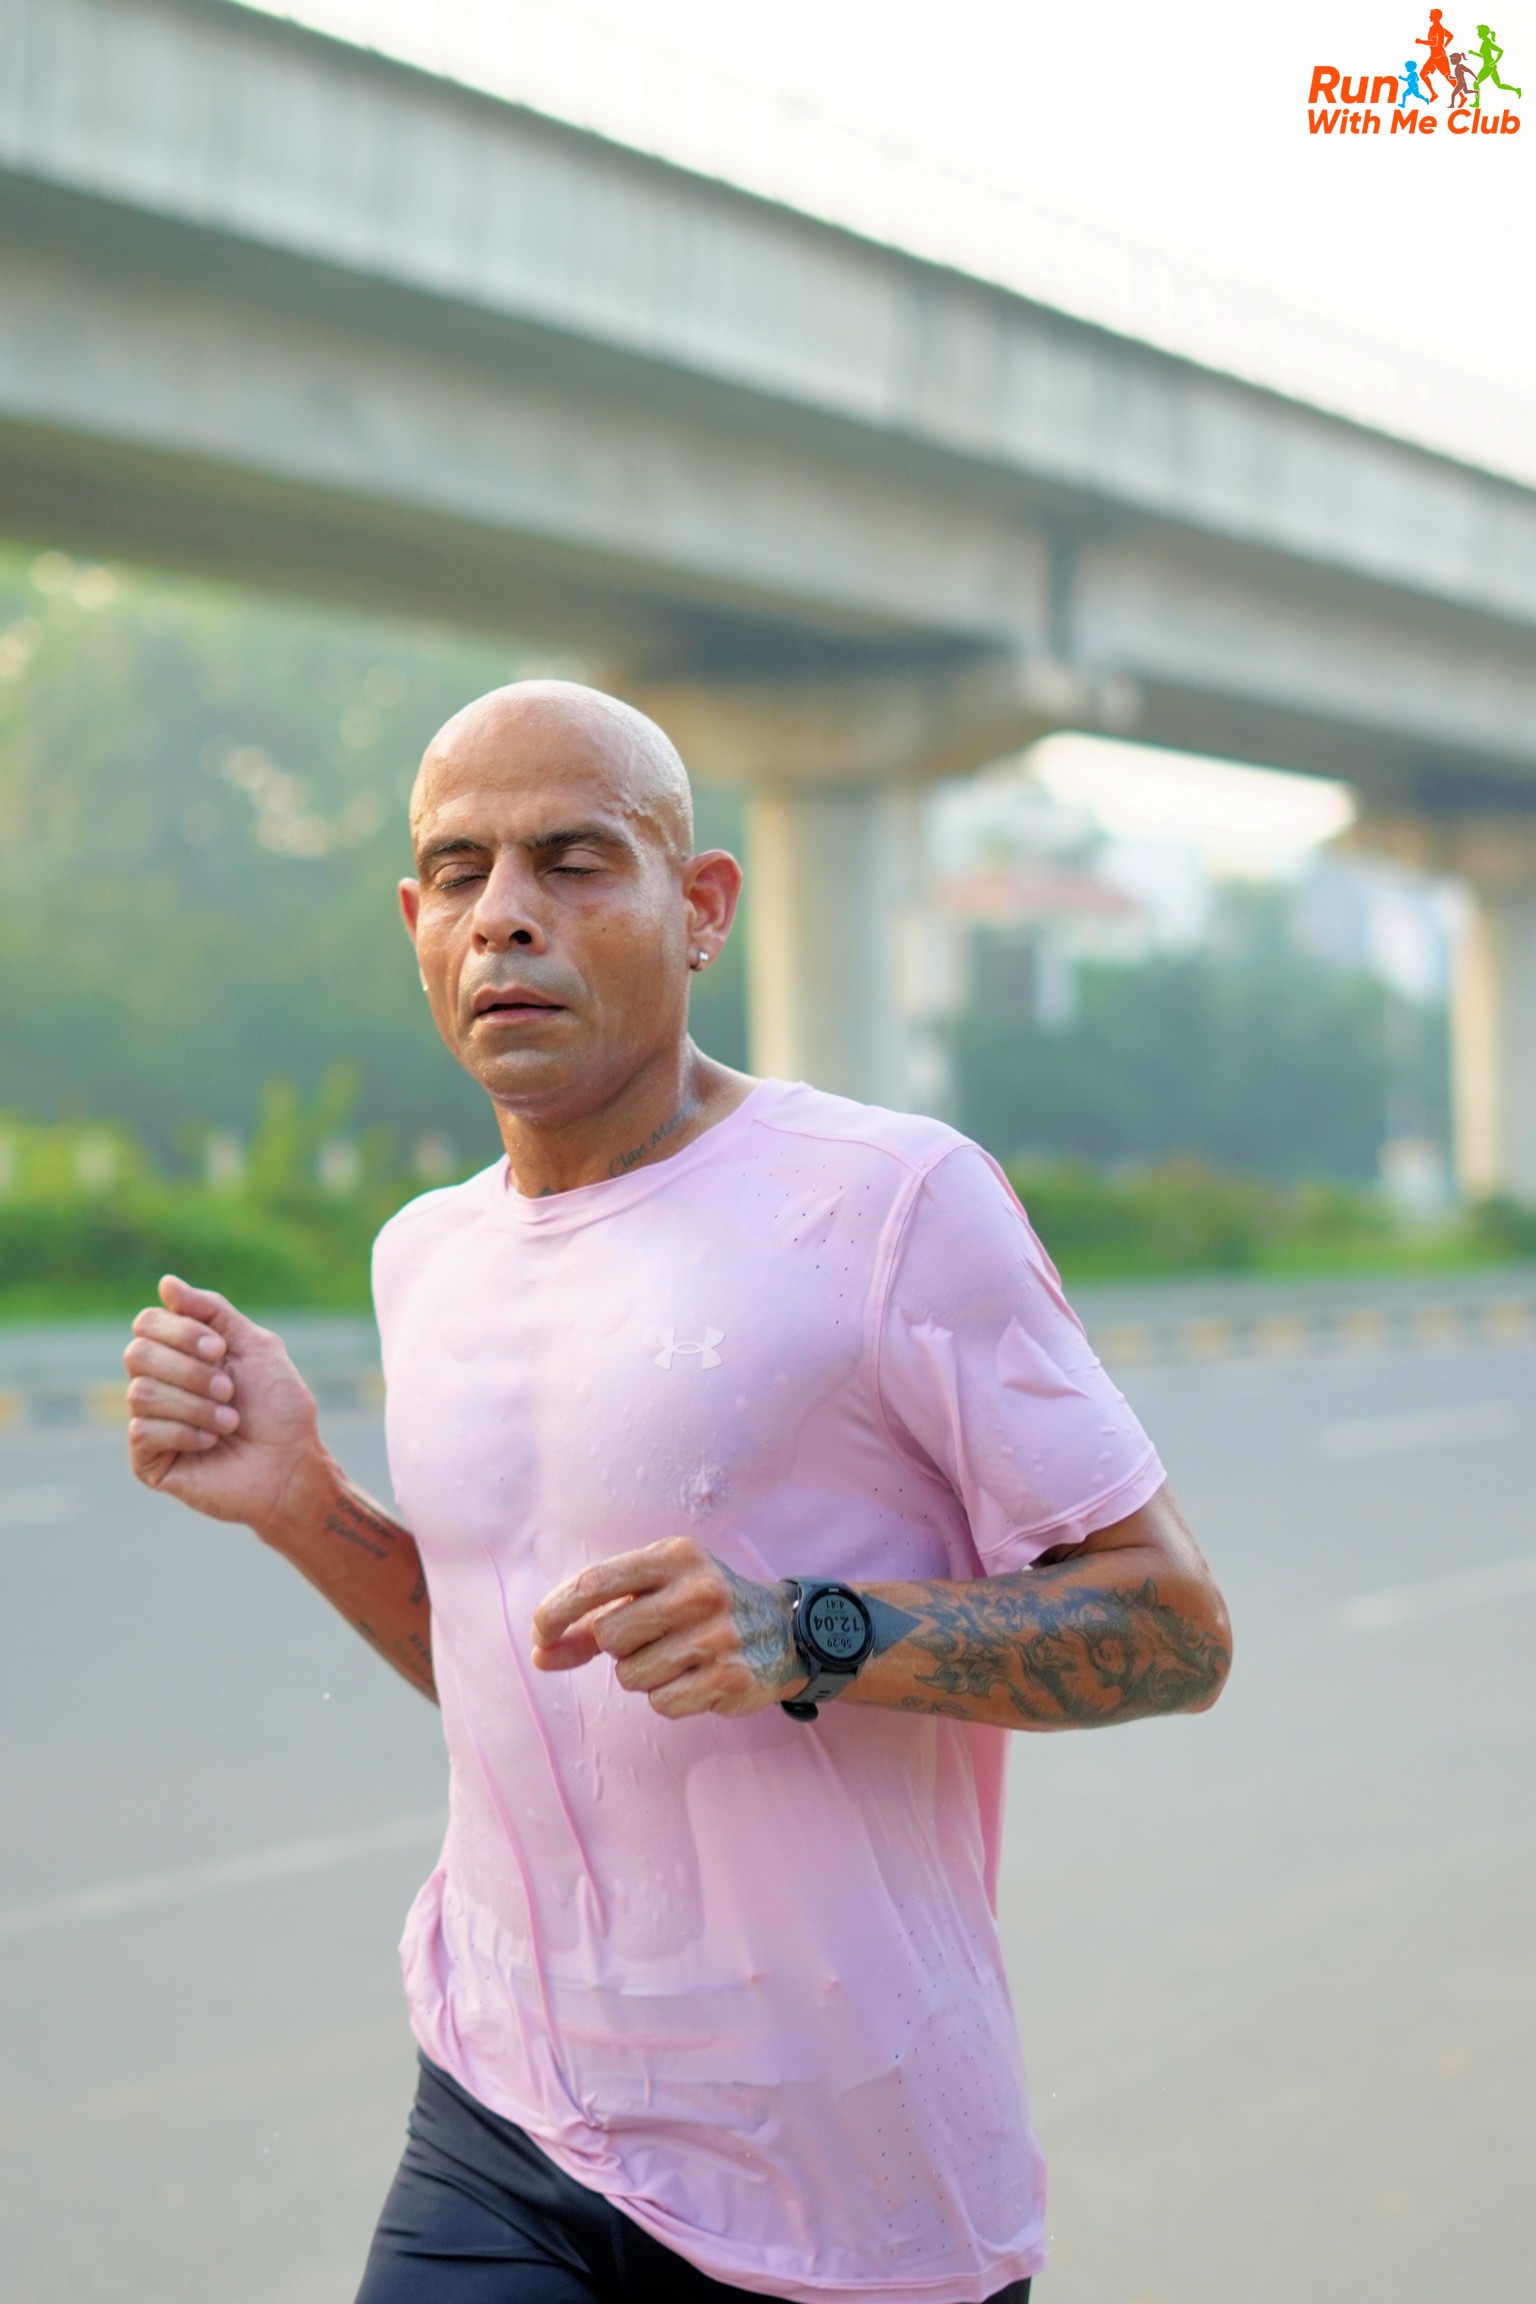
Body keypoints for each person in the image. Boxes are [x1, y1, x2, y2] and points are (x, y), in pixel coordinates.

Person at [125, 683, 1232, 2304]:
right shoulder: (423, 1253)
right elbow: (509, 1668)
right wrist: (300, 1500)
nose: (506, 914)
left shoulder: (890, 1203)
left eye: (574, 861)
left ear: (702, 905)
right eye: (460, 871)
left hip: (845, 2167)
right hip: (506, 2113)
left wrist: (810, 1629)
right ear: (416, 922)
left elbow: (1178, 1629)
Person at [1472, 22, 1521, 101]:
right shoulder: (1485, 42)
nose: (1478, 34)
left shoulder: (1487, 42)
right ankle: (1517, 90)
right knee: (1499, 85)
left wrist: (1494, 62)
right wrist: (1473, 53)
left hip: (1488, 66)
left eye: (1479, 32)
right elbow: (1484, 56)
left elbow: (1500, 51)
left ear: (1483, 33)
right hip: (1490, 66)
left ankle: (1477, 102)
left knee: (1475, 83)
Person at [1416, 10, 1457, 98]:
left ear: (1436, 17)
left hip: (1439, 57)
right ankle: (1434, 94)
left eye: (1431, 15)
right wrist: (1444, 45)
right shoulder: (1440, 27)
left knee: (1448, 78)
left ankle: (1463, 97)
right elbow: (1450, 36)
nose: (1429, 17)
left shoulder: (1434, 28)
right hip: (1434, 56)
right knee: (1423, 74)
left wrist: (1421, 41)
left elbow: (1434, 43)